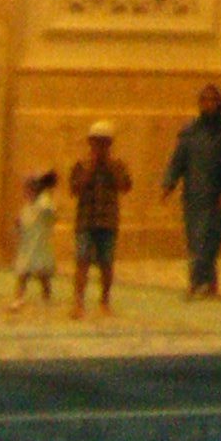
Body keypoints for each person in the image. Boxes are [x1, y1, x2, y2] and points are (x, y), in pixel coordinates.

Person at [163, 85, 221, 299]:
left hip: (217, 196)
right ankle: (201, 281)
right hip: (194, 195)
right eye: (204, 100)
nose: (208, 104)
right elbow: (178, 159)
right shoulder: (190, 131)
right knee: (196, 239)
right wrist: (169, 183)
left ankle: (203, 281)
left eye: (212, 100)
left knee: (211, 239)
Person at [69, 120, 130, 316]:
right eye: (96, 142)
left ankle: (105, 300)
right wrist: (90, 168)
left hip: (108, 221)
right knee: (82, 261)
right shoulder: (81, 164)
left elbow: (125, 186)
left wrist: (110, 167)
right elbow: (74, 189)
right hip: (85, 220)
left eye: (104, 143)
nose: (100, 147)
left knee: (106, 263)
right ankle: (78, 301)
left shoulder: (118, 165)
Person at [10, 167, 57, 308]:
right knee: (23, 274)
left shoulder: (44, 204)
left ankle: (46, 297)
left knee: (43, 275)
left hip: (39, 244)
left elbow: (50, 213)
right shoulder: (28, 206)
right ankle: (19, 298)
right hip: (28, 245)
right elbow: (23, 221)